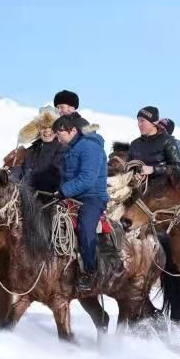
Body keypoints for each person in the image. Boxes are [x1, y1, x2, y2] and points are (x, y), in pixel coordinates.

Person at [53, 113, 109, 293]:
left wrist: (63, 191)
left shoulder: (90, 147)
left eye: (59, 132)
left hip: (92, 197)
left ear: (73, 130)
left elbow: (87, 178)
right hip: (72, 196)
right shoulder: (71, 147)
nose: (57, 136)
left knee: (85, 227)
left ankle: (90, 271)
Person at [9, 109, 64, 194]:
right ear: (38, 128)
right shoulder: (31, 150)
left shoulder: (62, 149)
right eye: (43, 127)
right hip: (23, 195)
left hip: (45, 198)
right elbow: (20, 170)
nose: (47, 130)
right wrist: (11, 174)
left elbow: (55, 175)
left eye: (51, 127)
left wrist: (28, 187)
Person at [129, 106, 180, 177]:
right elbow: (127, 168)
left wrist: (154, 169)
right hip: (137, 186)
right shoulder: (134, 144)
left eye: (142, 121)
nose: (139, 124)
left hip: (162, 186)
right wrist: (133, 176)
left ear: (154, 122)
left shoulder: (167, 141)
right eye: (138, 121)